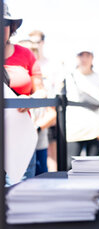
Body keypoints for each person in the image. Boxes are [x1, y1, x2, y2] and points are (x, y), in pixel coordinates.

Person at [4, 3, 45, 181]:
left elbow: (41, 92)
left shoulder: (25, 54)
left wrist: (28, 99)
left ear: (11, 27)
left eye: (3, 22)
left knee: (20, 194)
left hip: (19, 137)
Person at [65, 49, 99, 161]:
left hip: (95, 130)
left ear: (92, 58)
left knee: (93, 167)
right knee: (70, 166)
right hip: (73, 131)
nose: (84, 59)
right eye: (81, 55)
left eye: (87, 55)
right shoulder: (67, 78)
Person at [29, 30, 60, 171]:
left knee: (49, 155)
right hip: (31, 120)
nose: (34, 46)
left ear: (42, 42)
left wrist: (38, 127)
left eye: (36, 42)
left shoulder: (50, 64)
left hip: (45, 115)